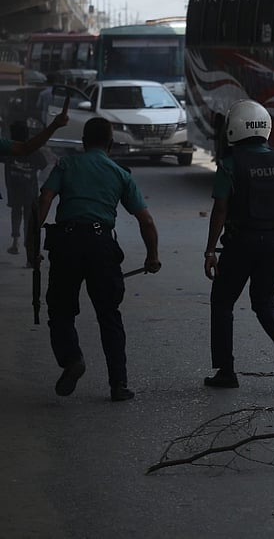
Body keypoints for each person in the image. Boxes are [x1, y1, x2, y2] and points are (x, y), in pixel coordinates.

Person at [37, 117, 160, 402]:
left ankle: (72, 359)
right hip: (101, 245)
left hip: (66, 243)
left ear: (82, 142)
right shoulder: (120, 173)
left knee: (60, 310)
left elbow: (45, 199)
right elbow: (146, 221)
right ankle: (118, 384)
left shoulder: (66, 165)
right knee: (109, 315)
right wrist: (152, 256)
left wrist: (34, 242)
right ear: (111, 144)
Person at [202, 101, 274, 389]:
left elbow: (220, 210)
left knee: (222, 302)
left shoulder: (230, 165)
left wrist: (209, 250)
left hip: (240, 244)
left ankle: (227, 371)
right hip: (271, 242)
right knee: (265, 302)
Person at [2, 122, 55, 255]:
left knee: (16, 214)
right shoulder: (34, 152)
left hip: (14, 191)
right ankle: (28, 248)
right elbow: (45, 167)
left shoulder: (9, 151)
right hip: (30, 192)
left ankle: (16, 242)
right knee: (28, 219)